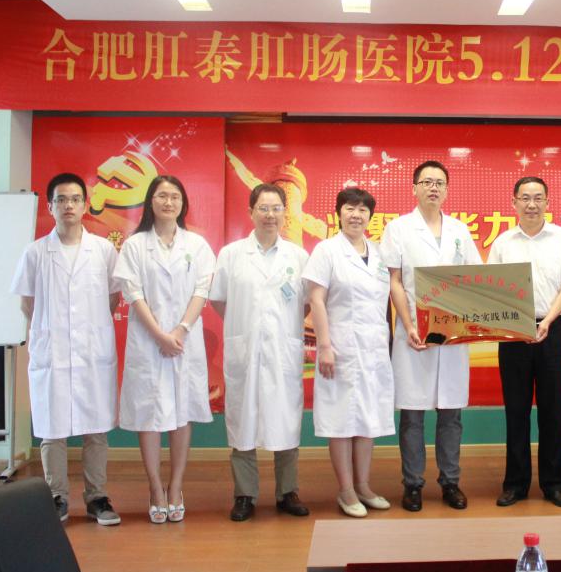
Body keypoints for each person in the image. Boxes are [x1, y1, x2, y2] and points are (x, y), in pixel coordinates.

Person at [11, 172, 122, 526]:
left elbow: (113, 297)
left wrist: (89, 329)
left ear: (85, 205)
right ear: (50, 206)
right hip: (53, 351)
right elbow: (28, 303)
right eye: (61, 199)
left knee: (96, 429)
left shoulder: (103, 250)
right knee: (52, 429)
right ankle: (56, 495)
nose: (69, 205)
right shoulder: (35, 253)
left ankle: (97, 497)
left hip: (92, 352)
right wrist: (51, 331)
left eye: (75, 199)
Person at [379, 160, 482, 512]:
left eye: (439, 182)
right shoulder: (398, 229)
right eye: (426, 182)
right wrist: (408, 324)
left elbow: (473, 279)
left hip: (452, 336)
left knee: (451, 413)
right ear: (414, 188)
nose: (433, 188)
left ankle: (450, 482)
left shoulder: (459, 230)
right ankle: (412, 484)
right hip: (414, 334)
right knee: (413, 414)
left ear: (447, 190)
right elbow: (394, 281)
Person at [114, 175, 215, 524]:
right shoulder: (135, 245)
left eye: (175, 196)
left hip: (184, 341)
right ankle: (155, 488)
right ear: (150, 202)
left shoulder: (197, 245)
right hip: (148, 341)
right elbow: (133, 293)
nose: (168, 202)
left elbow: (201, 290)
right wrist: (159, 335)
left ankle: (176, 487)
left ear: (183, 204)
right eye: (162, 196)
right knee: (149, 414)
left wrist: (180, 330)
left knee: (181, 412)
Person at [209, 183, 310, 522]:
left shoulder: (298, 256)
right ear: (251, 212)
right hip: (246, 350)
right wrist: (247, 326)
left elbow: (306, 304)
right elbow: (220, 301)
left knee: (286, 420)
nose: (270, 215)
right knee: (243, 422)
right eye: (263, 208)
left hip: (283, 350)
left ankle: (287, 492)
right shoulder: (231, 254)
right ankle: (244, 494)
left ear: (285, 213)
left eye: (276, 208)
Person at [303, 187, 395, 518]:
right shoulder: (326, 251)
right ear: (338, 213)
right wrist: (325, 346)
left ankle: (364, 486)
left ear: (371, 216)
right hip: (339, 347)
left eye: (362, 210)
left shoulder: (379, 253)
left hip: (373, 349)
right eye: (350, 208)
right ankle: (345, 490)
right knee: (341, 419)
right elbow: (316, 300)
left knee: (368, 417)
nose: (356, 215)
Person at [487, 177, 561, 508]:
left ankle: (555, 485)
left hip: (552, 331)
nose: (531, 204)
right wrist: (515, 322)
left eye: (538, 198)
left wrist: (549, 320)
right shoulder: (503, 242)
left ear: (547, 202)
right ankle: (515, 484)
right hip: (513, 333)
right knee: (516, 411)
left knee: (553, 411)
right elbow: (491, 288)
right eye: (525, 198)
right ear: (513, 203)